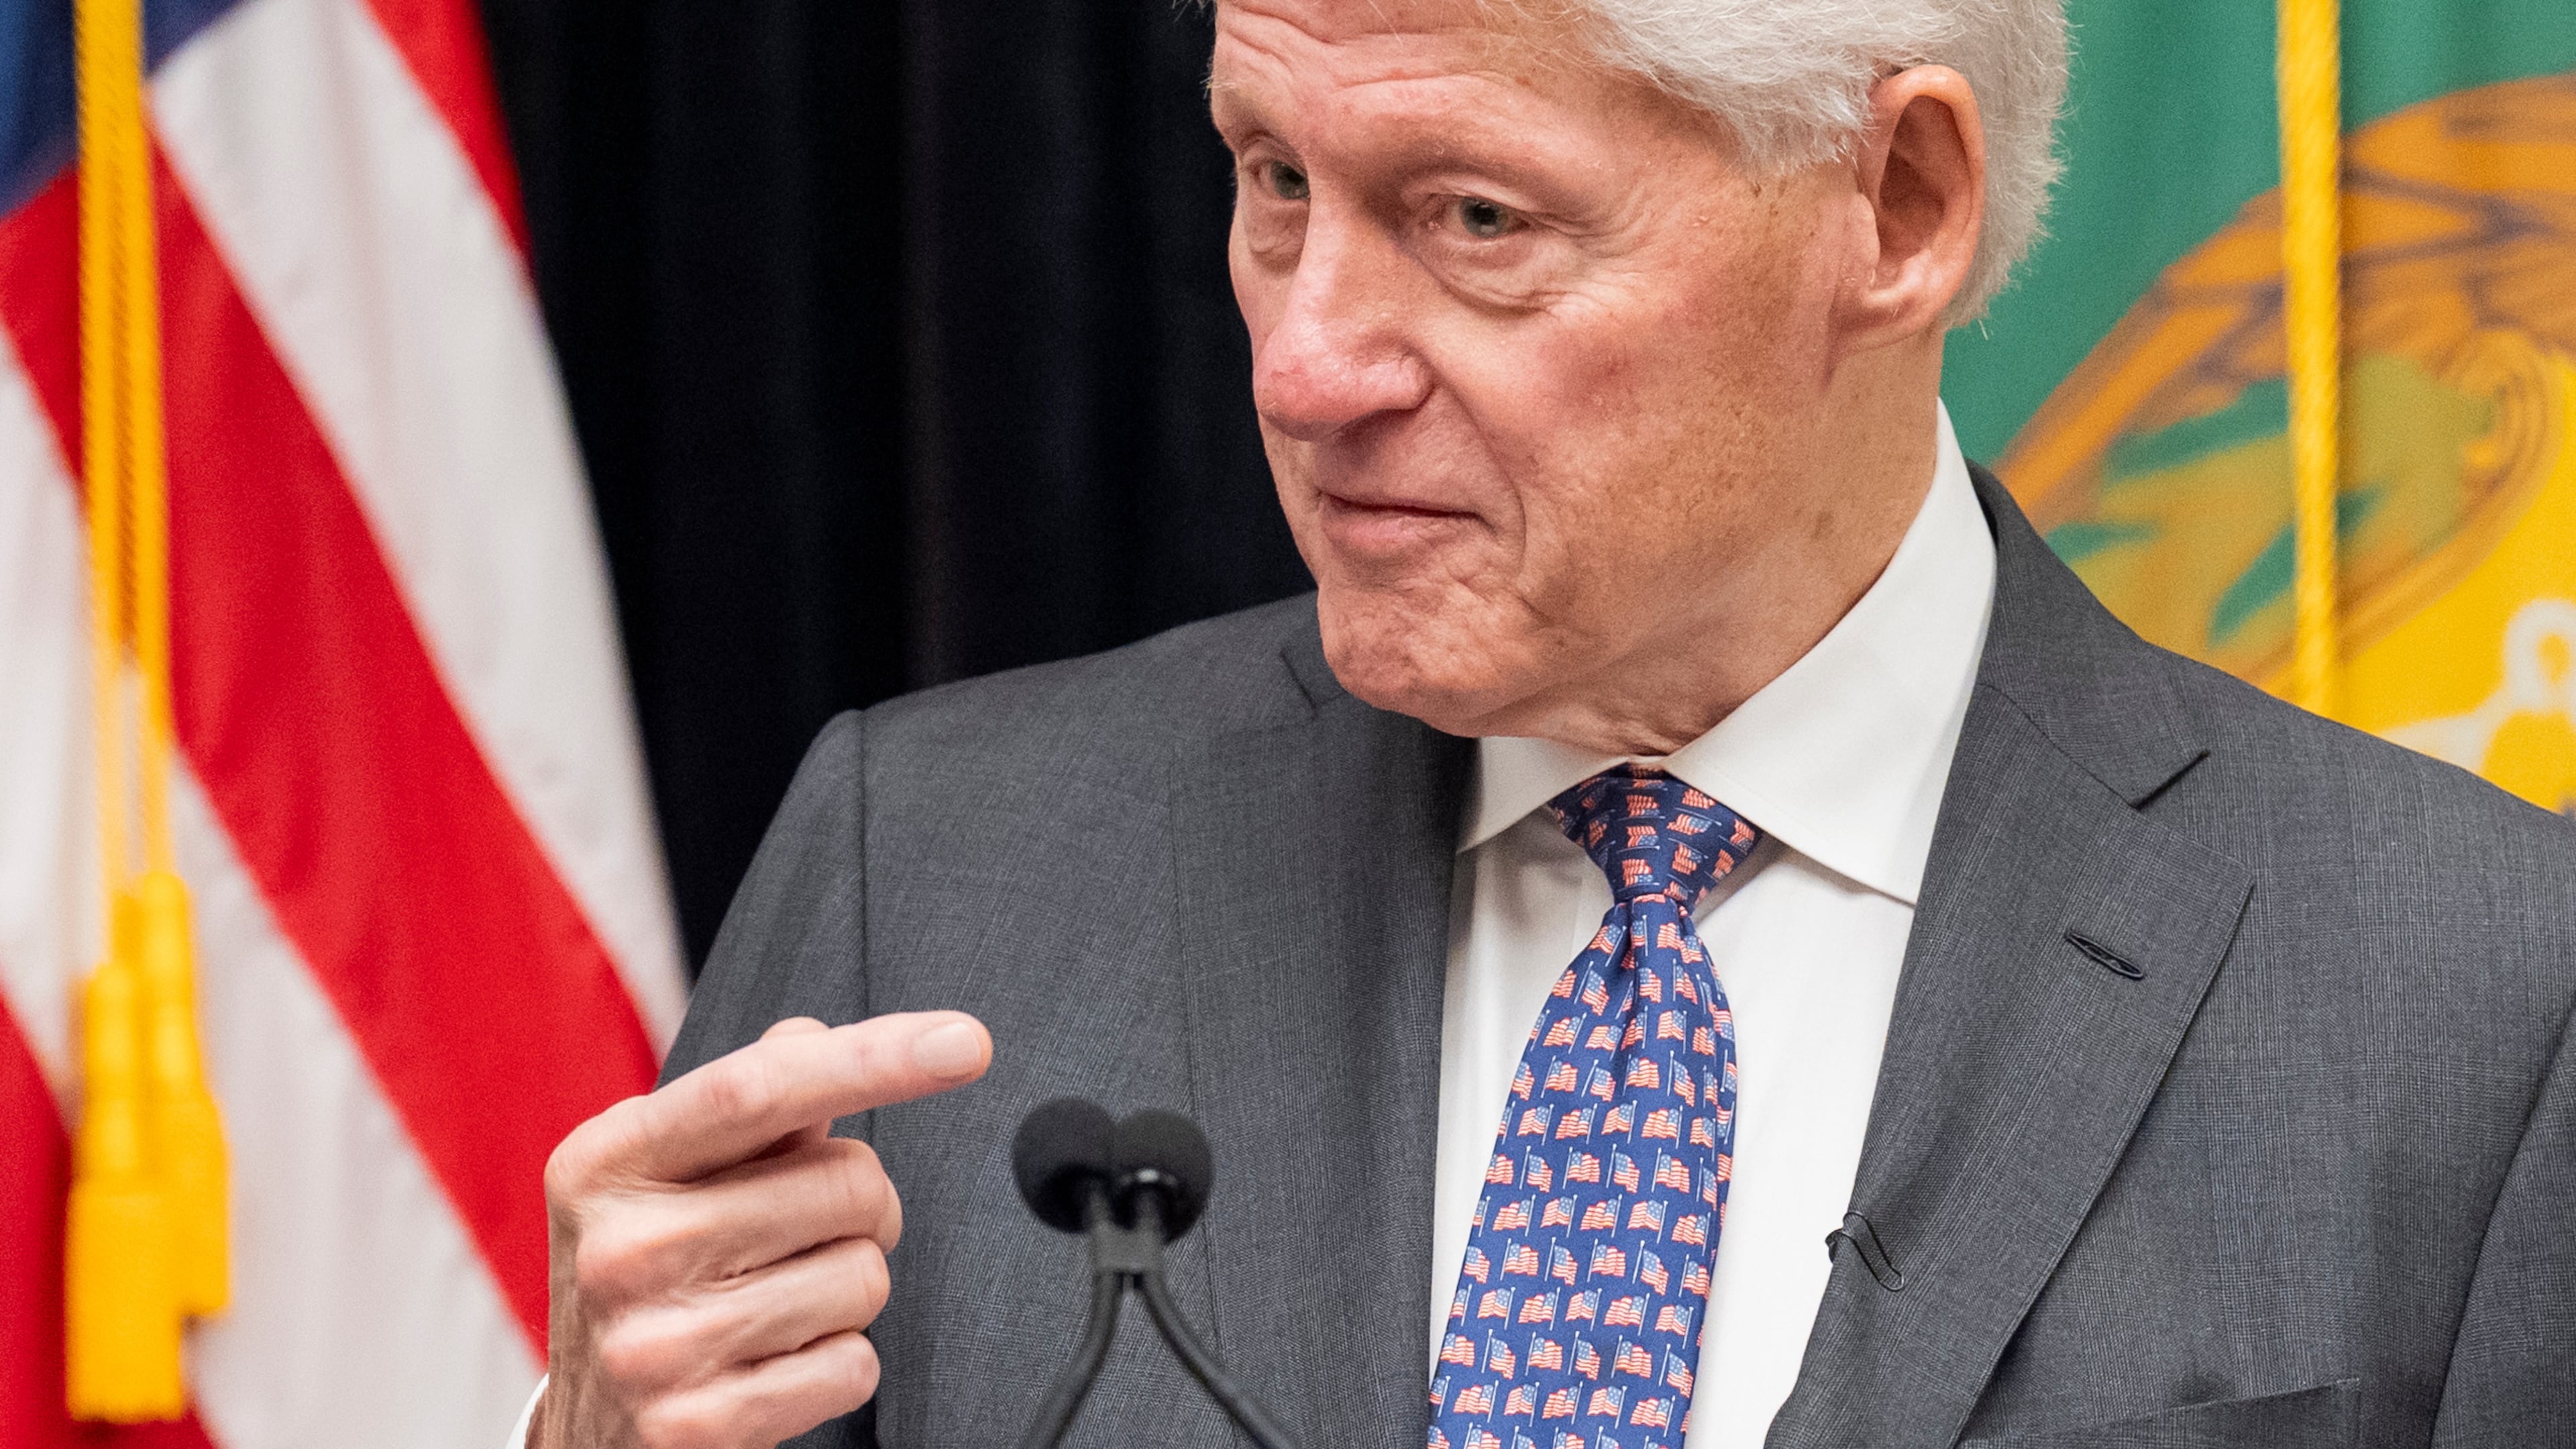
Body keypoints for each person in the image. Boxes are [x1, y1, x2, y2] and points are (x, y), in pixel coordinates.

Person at [519, 0, 2576, 1446]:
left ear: (1902, 204)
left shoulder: (2476, 1001)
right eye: (1271, 180)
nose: (1307, 365)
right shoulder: (934, 870)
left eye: (1473, 220)